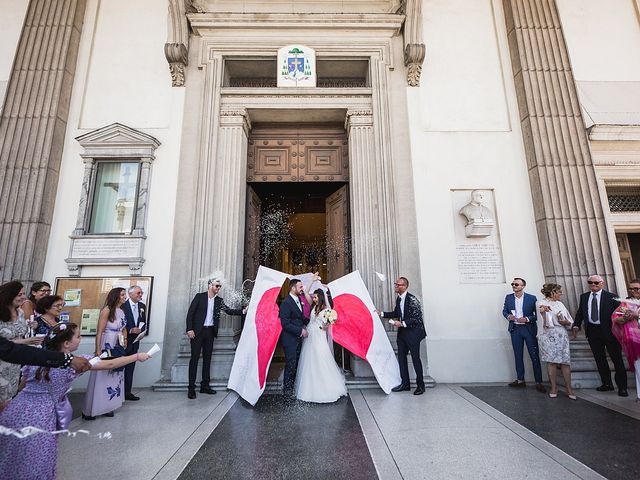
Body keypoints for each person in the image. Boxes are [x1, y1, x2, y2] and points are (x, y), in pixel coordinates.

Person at [0, 323, 149, 480]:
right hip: (40, 417)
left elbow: (22, 385)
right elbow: (110, 364)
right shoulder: (74, 363)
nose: (81, 338)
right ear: (66, 344)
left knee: (10, 458)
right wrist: (137, 356)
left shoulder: (38, 357)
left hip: (15, 410)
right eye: (78, 336)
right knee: (37, 460)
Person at [186, 279, 244, 399]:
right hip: (197, 332)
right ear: (210, 286)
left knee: (208, 359)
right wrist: (189, 329)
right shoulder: (200, 297)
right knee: (194, 359)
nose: (218, 288)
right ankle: (191, 388)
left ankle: (205, 386)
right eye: (217, 286)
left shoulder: (219, 300)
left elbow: (229, 311)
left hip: (210, 332)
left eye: (220, 286)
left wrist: (243, 311)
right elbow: (190, 313)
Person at [573, 275, 627, 397]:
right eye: (590, 282)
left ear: (602, 283)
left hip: (610, 332)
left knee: (617, 359)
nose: (593, 285)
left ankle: (622, 387)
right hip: (593, 332)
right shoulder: (584, 296)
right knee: (600, 359)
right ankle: (607, 384)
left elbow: (619, 314)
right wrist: (576, 325)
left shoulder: (612, 296)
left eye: (596, 282)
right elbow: (581, 312)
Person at [295, 277, 347, 403]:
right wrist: (312, 280)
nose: (314, 298)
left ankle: (326, 388)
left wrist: (326, 325)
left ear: (321, 297)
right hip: (310, 336)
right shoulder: (312, 306)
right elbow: (306, 292)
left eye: (316, 297)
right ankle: (309, 389)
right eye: (314, 297)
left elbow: (329, 323)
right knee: (309, 360)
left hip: (319, 337)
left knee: (320, 358)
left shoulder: (327, 310)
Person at [82, 287, 128, 419]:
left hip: (118, 344)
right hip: (107, 342)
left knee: (115, 374)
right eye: (122, 295)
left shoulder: (121, 311)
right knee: (102, 373)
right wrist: (97, 349)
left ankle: (109, 405)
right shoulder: (107, 310)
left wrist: (124, 339)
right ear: (116, 296)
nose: (125, 297)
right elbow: (100, 331)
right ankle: (92, 409)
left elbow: (124, 328)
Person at [378, 277, 427, 395]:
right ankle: (405, 384)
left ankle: (421, 386)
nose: (396, 286)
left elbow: (417, 317)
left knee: (416, 359)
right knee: (401, 359)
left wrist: (402, 323)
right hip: (403, 334)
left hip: (414, 334)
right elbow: (396, 313)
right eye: (396, 284)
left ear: (404, 286)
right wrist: (382, 313)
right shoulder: (399, 299)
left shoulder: (413, 299)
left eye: (398, 285)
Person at [0, 281, 43, 406]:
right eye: (19, 294)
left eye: (24, 294)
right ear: (9, 295)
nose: (23, 297)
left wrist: (33, 326)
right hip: (2, 361)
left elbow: (21, 331)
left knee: (9, 398)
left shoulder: (20, 312)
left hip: (14, 363)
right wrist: (26, 341)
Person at [502, 277, 545, 392]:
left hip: (528, 329)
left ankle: (539, 381)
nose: (514, 286)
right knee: (518, 354)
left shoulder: (532, 298)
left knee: (534, 355)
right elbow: (504, 311)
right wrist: (508, 316)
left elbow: (537, 315)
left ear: (523, 286)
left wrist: (527, 319)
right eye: (513, 284)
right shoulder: (509, 297)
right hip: (515, 329)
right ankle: (520, 380)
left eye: (516, 284)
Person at [536, 283, 576, 400]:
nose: (561, 294)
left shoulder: (560, 304)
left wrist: (565, 322)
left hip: (561, 334)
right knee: (551, 362)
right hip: (547, 334)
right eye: (559, 292)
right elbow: (539, 315)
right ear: (552, 292)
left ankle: (569, 388)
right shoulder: (540, 303)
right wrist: (543, 311)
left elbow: (569, 320)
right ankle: (554, 387)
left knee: (565, 361)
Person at [279, 278, 310, 399]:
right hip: (290, 340)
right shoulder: (286, 303)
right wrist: (300, 331)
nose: (302, 289)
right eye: (300, 287)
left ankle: (292, 389)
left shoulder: (298, 300)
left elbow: (300, 318)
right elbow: (285, 324)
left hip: (297, 339)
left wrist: (312, 320)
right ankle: (287, 392)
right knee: (290, 365)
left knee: (296, 364)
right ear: (293, 288)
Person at [611, 279, 640, 402]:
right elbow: (615, 319)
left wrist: (637, 316)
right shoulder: (625, 304)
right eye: (631, 289)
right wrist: (625, 317)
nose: (633, 291)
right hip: (634, 340)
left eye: (636, 289)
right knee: (639, 367)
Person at [122, 285, 146, 401]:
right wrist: (130, 330)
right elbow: (120, 323)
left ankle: (127, 392)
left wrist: (142, 331)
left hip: (135, 341)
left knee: (131, 367)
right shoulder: (122, 306)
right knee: (120, 366)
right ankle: (118, 392)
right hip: (123, 341)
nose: (140, 295)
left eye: (141, 293)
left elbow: (143, 321)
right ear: (130, 294)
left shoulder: (142, 306)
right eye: (138, 293)